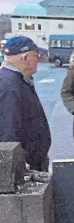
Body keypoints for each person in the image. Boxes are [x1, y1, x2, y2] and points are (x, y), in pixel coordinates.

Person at [0, 36, 51, 171]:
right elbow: (8, 131)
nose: (38, 60)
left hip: (30, 162)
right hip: (26, 166)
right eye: (36, 55)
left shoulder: (16, 80)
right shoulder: (9, 85)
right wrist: (19, 168)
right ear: (26, 58)